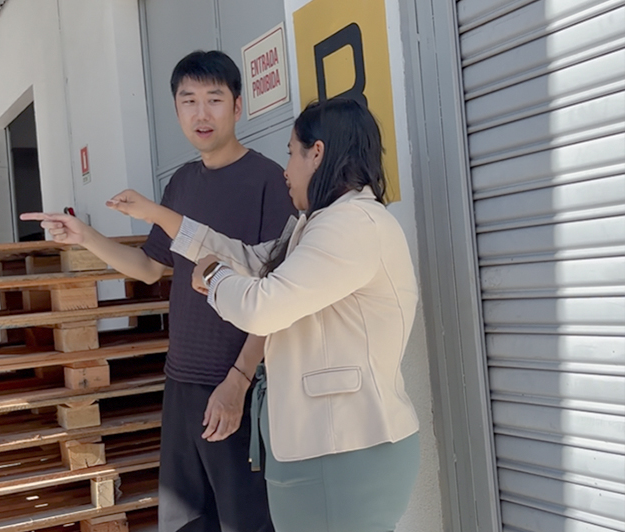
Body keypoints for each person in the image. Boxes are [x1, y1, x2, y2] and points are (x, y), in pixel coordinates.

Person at [106, 98, 421, 532]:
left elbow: (263, 307)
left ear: (317, 153)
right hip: (322, 447)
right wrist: (161, 217)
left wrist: (213, 277)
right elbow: (251, 259)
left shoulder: (352, 227)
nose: (286, 170)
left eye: (291, 152)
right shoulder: (320, 224)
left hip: (345, 449)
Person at [23, 50, 295, 532]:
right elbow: (149, 268)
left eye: (214, 99)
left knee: (247, 521)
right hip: (182, 381)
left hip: (241, 385)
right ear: (176, 110)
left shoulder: (269, 181)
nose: (201, 113)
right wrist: (85, 236)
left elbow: (279, 296)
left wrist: (238, 383)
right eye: (188, 101)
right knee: (185, 519)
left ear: (238, 106)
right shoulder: (182, 183)